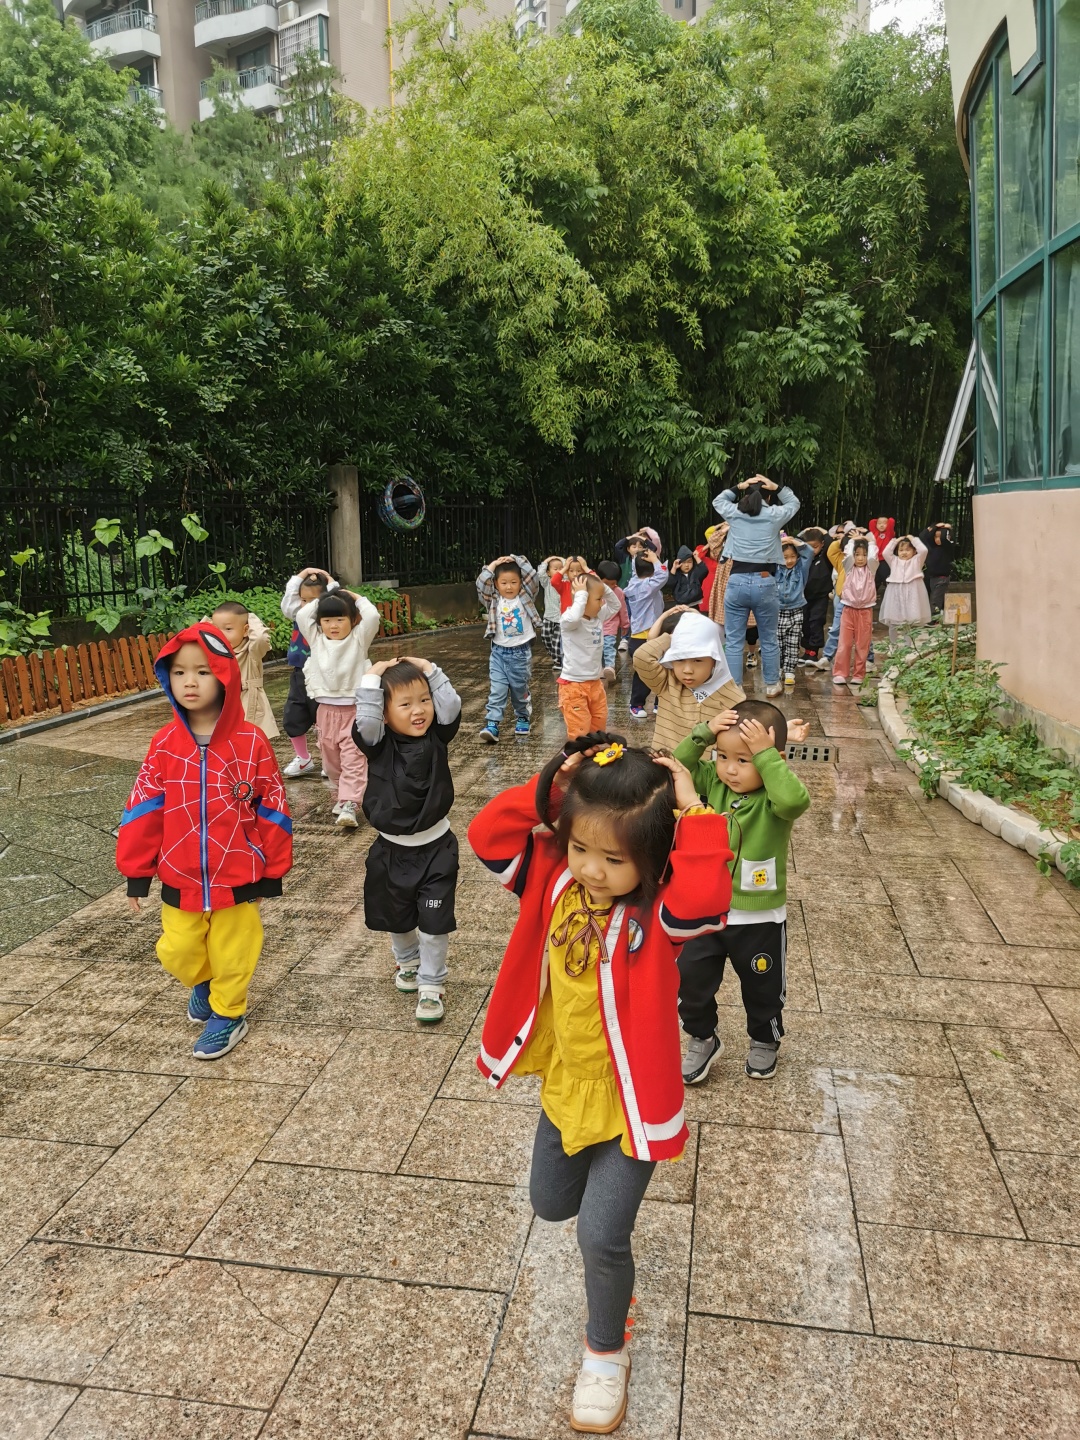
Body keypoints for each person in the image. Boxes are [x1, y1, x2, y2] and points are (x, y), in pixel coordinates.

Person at [468, 733, 732, 1434]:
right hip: (567, 1086)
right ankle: (610, 1286)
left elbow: (706, 897)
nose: (592, 868)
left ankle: (606, 1351)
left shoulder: (659, 913)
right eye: (582, 847)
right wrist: (558, 786)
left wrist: (694, 811)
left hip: (632, 1105)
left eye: (614, 859)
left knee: (600, 1236)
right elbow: (487, 832)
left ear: (651, 856)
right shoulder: (551, 877)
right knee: (550, 1205)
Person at [117, 623, 292, 1059]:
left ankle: (229, 1013)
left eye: (202, 671)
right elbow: (142, 808)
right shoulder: (164, 744)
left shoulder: (251, 742)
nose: (189, 682)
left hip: (239, 871)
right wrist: (136, 872)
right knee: (178, 949)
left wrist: (272, 869)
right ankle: (202, 980)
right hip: (180, 873)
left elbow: (273, 807)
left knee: (235, 951)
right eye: (179, 672)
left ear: (225, 676)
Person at [673, 700, 810, 1083]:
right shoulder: (713, 784)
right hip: (704, 912)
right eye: (722, 756)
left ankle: (765, 1039)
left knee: (763, 985)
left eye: (744, 760)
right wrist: (704, 732)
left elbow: (795, 800)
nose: (730, 769)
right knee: (690, 981)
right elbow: (677, 767)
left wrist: (767, 759)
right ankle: (702, 1037)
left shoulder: (775, 799)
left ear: (771, 760)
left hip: (759, 919)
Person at [354, 656, 461, 1025]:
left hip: (437, 849)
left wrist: (431, 669)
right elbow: (366, 720)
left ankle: (432, 984)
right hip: (391, 850)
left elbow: (451, 706)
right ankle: (408, 962)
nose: (418, 710)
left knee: (434, 921)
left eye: (424, 700)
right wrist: (371, 678)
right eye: (405, 704)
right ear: (384, 713)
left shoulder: (438, 735)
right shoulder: (377, 743)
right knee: (396, 918)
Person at [295, 586, 381, 829]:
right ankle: (340, 795)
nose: (333, 625)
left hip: (354, 711)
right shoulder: (316, 640)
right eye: (327, 620)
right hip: (325, 712)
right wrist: (325, 596)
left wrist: (354, 597)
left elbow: (372, 616)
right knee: (330, 761)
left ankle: (350, 804)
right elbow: (302, 616)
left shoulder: (358, 639)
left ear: (353, 620)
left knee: (353, 758)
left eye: (340, 619)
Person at [711, 475, 801, 697]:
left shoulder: (735, 513)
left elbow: (718, 501)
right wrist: (777, 487)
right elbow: (794, 503)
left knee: (734, 640)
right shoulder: (774, 515)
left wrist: (738, 486)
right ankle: (771, 685)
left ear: (746, 495)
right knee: (769, 638)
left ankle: (735, 687)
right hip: (765, 581)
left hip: (736, 580)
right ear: (768, 497)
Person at [631, 607, 745, 751]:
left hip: (705, 765)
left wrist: (702, 627)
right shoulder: (666, 683)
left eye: (697, 660)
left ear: (715, 660)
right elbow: (642, 657)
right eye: (679, 659)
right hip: (664, 762)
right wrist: (676, 637)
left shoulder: (733, 697)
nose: (687, 670)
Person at [476, 554, 541, 745]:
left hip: (520, 653)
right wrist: (494, 564)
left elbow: (532, 576)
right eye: (504, 583)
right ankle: (492, 724)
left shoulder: (526, 597)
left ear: (520, 583)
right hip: (498, 653)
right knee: (497, 690)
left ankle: (522, 716)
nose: (509, 586)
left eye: (514, 582)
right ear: (496, 584)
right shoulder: (493, 600)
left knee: (519, 690)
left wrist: (515, 559)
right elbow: (481, 584)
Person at [280, 568, 335, 776]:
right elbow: (288, 602)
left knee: (325, 720)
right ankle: (303, 758)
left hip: (324, 676)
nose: (307, 605)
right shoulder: (298, 614)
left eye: (313, 600)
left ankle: (331, 761)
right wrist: (303, 574)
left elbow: (337, 597)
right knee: (292, 715)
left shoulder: (328, 619)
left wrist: (330, 581)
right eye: (303, 600)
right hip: (300, 673)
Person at [558, 574, 622, 739]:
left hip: (595, 684)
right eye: (598, 599)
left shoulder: (597, 617)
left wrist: (602, 586)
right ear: (583, 599)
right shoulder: (569, 620)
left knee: (598, 729)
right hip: (574, 686)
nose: (601, 603)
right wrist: (581, 594)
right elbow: (574, 616)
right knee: (580, 733)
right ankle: (577, 754)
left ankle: (594, 753)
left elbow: (616, 605)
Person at [206, 601, 277, 738]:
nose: (221, 635)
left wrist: (250, 617)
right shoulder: (212, 652)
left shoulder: (251, 651)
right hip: (221, 705)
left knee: (250, 742)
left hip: (248, 704)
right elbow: (199, 633)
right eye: (217, 629)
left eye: (228, 629)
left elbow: (260, 638)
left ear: (245, 630)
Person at [623, 547, 669, 719]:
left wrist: (639, 558)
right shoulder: (648, 586)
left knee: (648, 671)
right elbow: (662, 575)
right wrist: (655, 560)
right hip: (647, 637)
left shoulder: (633, 583)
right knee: (653, 672)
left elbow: (641, 571)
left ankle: (645, 704)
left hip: (639, 636)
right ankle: (641, 704)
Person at [831, 535, 878, 688]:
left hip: (865, 611)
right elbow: (848, 556)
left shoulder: (871, 569)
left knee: (862, 644)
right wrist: (852, 540)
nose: (860, 558)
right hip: (848, 609)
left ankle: (858, 674)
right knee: (844, 643)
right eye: (857, 554)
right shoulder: (849, 568)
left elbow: (873, 557)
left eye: (864, 554)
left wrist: (870, 542)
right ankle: (840, 673)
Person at [878, 534, 931, 643]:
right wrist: (895, 541)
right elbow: (885, 553)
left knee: (908, 622)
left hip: (911, 594)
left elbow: (924, 550)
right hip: (895, 593)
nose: (904, 552)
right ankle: (893, 645)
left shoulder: (917, 561)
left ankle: (908, 646)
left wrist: (913, 539)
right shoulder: (894, 561)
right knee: (893, 621)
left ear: (914, 551)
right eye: (901, 550)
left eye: (908, 550)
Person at [776, 537, 813, 686]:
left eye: (793, 556)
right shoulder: (775, 568)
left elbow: (809, 552)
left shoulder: (801, 568)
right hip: (778, 610)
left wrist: (791, 540)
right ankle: (778, 668)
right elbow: (766, 554)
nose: (789, 560)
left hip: (796, 609)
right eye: (785, 557)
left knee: (793, 641)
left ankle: (790, 670)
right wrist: (779, 542)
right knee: (777, 642)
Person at [797, 529, 833, 664]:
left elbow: (831, 543)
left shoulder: (825, 556)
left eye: (815, 547)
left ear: (822, 544)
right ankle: (806, 650)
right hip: (804, 596)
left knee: (816, 622)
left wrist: (824, 531)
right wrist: (803, 532)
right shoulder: (801, 557)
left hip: (820, 596)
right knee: (804, 622)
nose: (812, 550)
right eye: (808, 547)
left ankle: (813, 651)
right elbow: (795, 541)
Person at [595, 560, 629, 681]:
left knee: (608, 646)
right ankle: (599, 668)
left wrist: (625, 625)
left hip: (611, 626)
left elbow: (623, 609)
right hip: (596, 626)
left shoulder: (618, 592)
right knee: (596, 648)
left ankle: (610, 667)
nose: (609, 587)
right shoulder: (594, 589)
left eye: (613, 584)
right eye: (606, 584)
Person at [919, 521, 956, 616]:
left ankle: (935, 619)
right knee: (936, 599)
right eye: (935, 537)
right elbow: (922, 537)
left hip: (942, 578)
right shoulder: (931, 548)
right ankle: (940, 616)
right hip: (932, 578)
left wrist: (946, 528)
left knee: (935, 600)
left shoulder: (947, 548)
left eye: (939, 537)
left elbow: (944, 538)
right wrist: (934, 526)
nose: (938, 539)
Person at [537, 556, 566, 669]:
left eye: (561, 568)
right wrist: (547, 560)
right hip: (549, 617)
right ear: (548, 573)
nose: (559, 571)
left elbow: (567, 568)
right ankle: (554, 653)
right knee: (545, 636)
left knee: (557, 641)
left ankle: (558, 661)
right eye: (555, 569)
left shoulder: (565, 582)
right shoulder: (547, 583)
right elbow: (540, 573)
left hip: (561, 618)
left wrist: (561, 559)